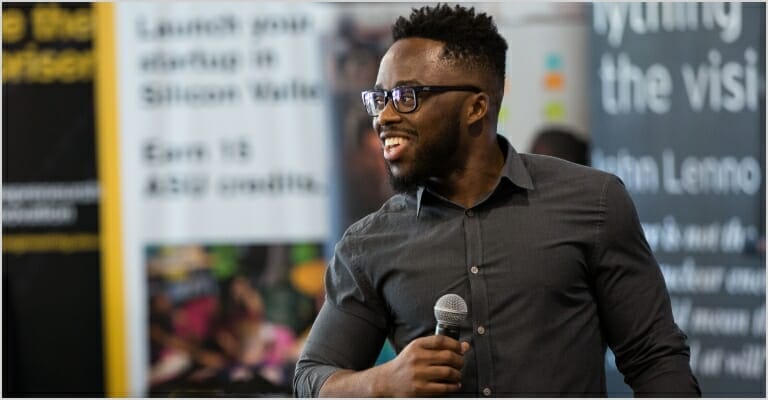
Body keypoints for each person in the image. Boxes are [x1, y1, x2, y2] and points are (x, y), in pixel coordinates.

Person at [294, 4, 700, 397]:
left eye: (405, 97)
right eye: (379, 99)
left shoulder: (593, 203)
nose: (383, 116)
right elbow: (312, 379)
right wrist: (383, 384)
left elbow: (655, 361)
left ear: (475, 107)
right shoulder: (369, 244)